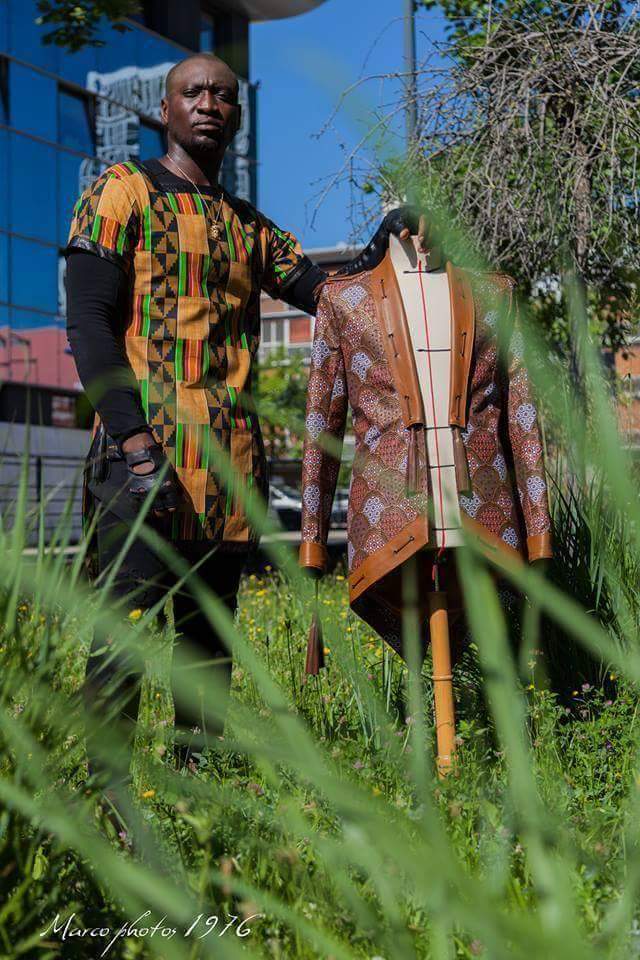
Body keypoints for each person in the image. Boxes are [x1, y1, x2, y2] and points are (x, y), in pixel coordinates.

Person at [64, 52, 425, 792]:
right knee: (121, 640)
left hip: (227, 469)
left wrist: (385, 241)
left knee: (207, 649)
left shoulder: (246, 226)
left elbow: (330, 294)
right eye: (192, 92)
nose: (208, 103)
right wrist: (134, 444)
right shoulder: (119, 192)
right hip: (142, 462)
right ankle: (105, 803)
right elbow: (89, 326)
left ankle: (200, 800)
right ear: (164, 110)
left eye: (223, 95)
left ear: (237, 115)